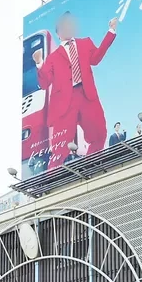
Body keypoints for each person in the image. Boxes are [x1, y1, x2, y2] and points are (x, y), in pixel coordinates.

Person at [33, 12, 118, 171]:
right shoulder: (53, 57)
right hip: (64, 102)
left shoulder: (85, 43)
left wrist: (111, 31)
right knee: (60, 147)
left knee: (99, 134)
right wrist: (39, 63)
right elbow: (45, 83)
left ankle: (91, 168)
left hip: (86, 95)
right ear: (58, 34)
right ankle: (52, 180)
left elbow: (96, 59)